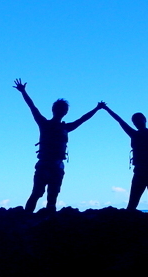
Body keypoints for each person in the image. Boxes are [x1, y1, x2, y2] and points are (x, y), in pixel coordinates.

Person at [14, 78, 103, 213]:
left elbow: (83, 119)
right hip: (45, 164)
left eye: (64, 109)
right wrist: (23, 92)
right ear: (55, 110)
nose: (62, 111)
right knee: (38, 193)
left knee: (52, 195)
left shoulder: (63, 127)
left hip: (56, 165)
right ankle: (27, 218)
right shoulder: (45, 124)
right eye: (60, 108)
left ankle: (44, 220)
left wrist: (96, 108)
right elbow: (32, 107)